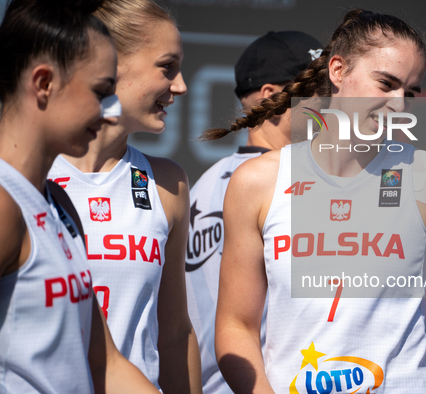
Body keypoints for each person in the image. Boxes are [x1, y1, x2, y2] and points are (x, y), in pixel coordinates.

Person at [210, 9, 426, 393]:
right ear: (338, 71)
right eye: (385, 83)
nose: (399, 105)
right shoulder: (257, 182)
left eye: (409, 92)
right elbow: (235, 326)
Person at [0, 0, 161, 392]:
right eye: (101, 91)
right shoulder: (4, 205)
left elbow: (105, 364)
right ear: (43, 83)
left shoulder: (58, 203)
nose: (110, 112)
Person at [47, 0, 201, 392]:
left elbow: (175, 332)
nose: (181, 86)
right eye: (167, 67)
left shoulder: (169, 183)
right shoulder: (23, 175)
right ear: (109, 62)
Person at [185, 30, 323, 394]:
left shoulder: (208, 181)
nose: (332, 102)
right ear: (272, 97)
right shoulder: (283, 185)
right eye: (318, 89)